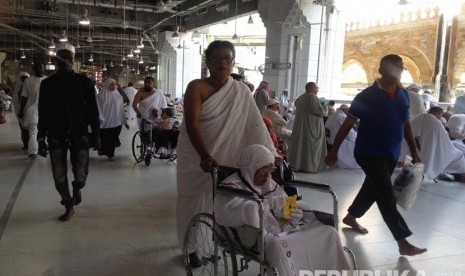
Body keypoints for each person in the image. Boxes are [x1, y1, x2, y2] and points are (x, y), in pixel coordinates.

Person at [176, 40, 278, 266]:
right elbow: (191, 124)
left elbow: (253, 125)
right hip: (196, 155)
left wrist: (271, 152)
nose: (223, 62)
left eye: (227, 59)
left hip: (227, 155)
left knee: (223, 200)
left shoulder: (240, 90)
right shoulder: (197, 87)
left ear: (233, 63)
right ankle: (190, 246)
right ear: (208, 62)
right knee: (192, 201)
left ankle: (215, 239)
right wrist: (204, 155)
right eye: (217, 58)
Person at [325, 54, 427, 256]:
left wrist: (414, 150)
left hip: (390, 153)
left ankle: (352, 216)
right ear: (381, 71)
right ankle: (402, 241)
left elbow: (405, 123)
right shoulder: (366, 97)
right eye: (392, 68)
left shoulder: (404, 95)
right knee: (385, 194)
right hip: (368, 152)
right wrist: (334, 151)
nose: (396, 72)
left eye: (400, 68)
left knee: (372, 188)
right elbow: (347, 125)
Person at [214, 145, 351, 274]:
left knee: (329, 232)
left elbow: (282, 202)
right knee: (278, 245)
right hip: (260, 234)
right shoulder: (230, 187)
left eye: (270, 171)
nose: (268, 177)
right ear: (251, 169)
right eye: (264, 172)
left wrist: (292, 212)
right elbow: (228, 214)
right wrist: (266, 205)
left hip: (284, 226)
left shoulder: (268, 182)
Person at [38, 45, 100, 222]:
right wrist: (41, 137)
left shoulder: (85, 83)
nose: (65, 61)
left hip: (79, 133)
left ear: (73, 61)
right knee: (58, 174)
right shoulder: (47, 84)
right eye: (61, 58)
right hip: (56, 134)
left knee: (81, 172)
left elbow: (93, 112)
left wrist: (96, 134)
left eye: (69, 58)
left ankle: (77, 187)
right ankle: (68, 204)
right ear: (55, 62)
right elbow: (43, 111)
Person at [408, 107, 465, 182]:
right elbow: (445, 143)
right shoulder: (435, 122)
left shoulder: (419, 118)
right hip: (447, 148)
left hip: (414, 150)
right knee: (459, 156)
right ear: (439, 114)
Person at [288, 82, 328, 173]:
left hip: (301, 126)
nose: (318, 90)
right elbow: (321, 112)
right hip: (311, 127)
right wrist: (325, 105)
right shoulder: (312, 97)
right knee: (311, 147)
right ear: (312, 88)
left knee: (301, 145)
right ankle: (310, 167)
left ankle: (299, 165)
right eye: (317, 88)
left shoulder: (300, 98)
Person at [18, 62, 46, 158]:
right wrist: (21, 110)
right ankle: (33, 151)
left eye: (40, 67)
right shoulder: (28, 81)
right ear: (33, 69)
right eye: (37, 67)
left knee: (45, 131)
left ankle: (43, 148)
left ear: (43, 68)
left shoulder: (47, 80)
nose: (39, 69)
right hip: (32, 109)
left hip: (45, 110)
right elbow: (24, 97)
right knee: (33, 131)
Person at [96, 78, 129, 159]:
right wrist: (100, 118)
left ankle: (109, 153)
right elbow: (98, 108)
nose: (114, 86)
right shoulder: (100, 96)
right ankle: (105, 151)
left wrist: (124, 122)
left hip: (117, 122)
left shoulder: (118, 96)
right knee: (106, 138)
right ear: (107, 84)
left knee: (113, 138)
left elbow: (121, 109)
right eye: (112, 84)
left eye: (115, 84)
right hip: (105, 122)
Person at [325, 104, 360, 169]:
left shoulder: (333, 115)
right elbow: (350, 134)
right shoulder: (341, 116)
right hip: (339, 141)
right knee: (357, 142)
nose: (349, 112)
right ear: (344, 110)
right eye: (348, 110)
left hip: (330, 140)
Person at [12, 72, 30, 149]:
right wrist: (20, 111)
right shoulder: (18, 89)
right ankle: (26, 144)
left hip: (31, 112)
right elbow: (15, 101)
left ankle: (33, 145)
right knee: (24, 129)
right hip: (21, 112)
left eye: (26, 78)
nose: (25, 79)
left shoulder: (30, 86)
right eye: (23, 78)